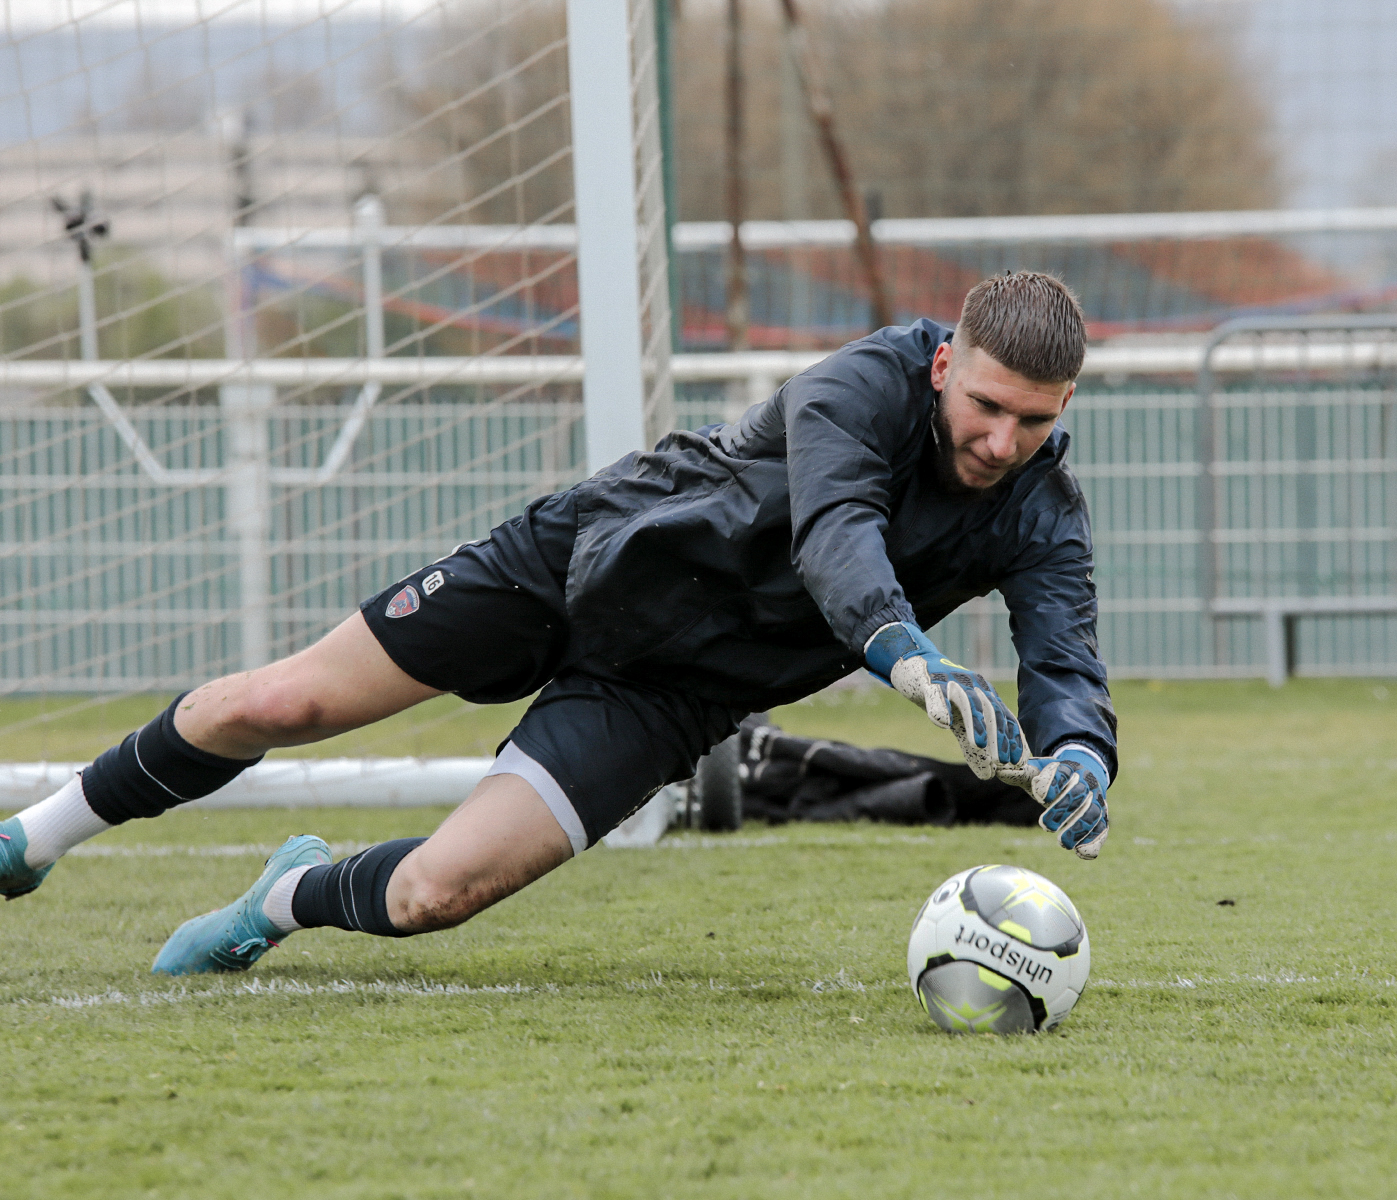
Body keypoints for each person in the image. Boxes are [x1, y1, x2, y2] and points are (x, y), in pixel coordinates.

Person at [0, 271, 1116, 976]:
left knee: (436, 893)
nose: (1003, 441)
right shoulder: (860, 384)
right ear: (942, 366)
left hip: (674, 692)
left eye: (1034, 420)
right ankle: (34, 839)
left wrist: (1078, 754)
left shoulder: (1041, 513)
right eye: (986, 406)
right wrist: (907, 653)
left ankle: (280, 898)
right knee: (278, 702)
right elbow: (837, 533)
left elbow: (1063, 655)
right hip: (574, 563)